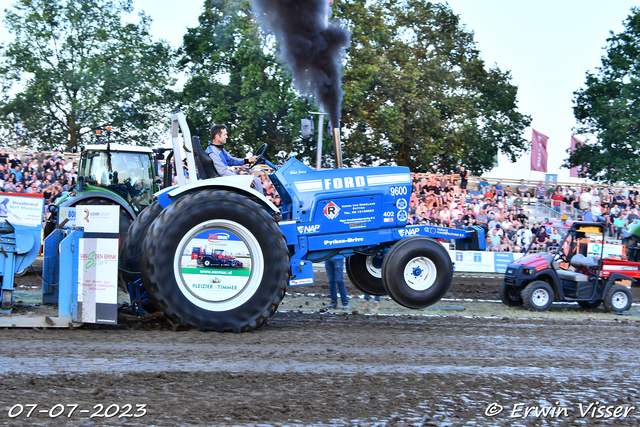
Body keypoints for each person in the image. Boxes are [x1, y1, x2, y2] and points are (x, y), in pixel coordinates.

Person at [206, 124, 262, 193]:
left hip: (224, 178)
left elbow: (231, 160)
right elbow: (223, 172)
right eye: (224, 135)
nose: (226, 137)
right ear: (217, 136)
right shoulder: (213, 152)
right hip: (221, 181)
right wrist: (242, 180)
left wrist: (249, 160)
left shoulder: (219, 149)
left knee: (254, 180)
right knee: (256, 181)